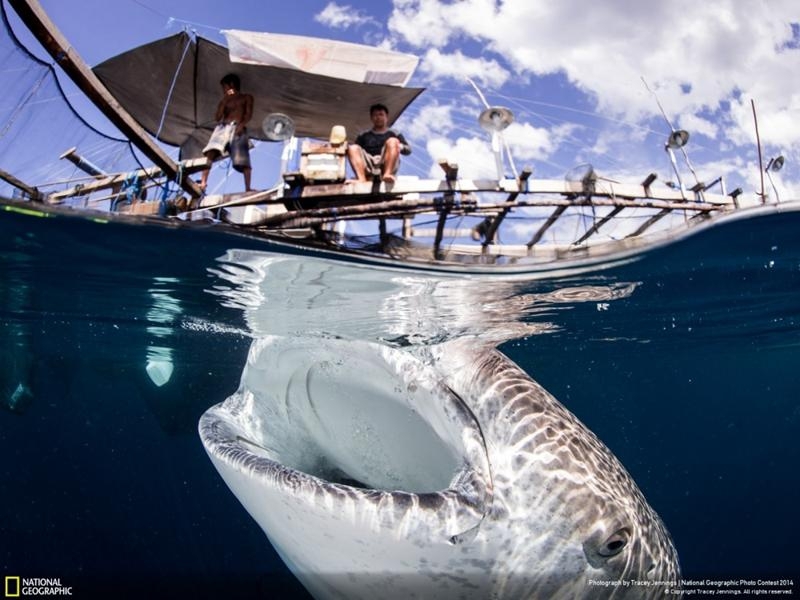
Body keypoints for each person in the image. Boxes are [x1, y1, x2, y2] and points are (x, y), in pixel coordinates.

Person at [199, 73, 254, 192]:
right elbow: (217, 117)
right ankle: (203, 182)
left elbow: (248, 114)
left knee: (243, 159)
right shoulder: (224, 100)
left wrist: (242, 125)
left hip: (238, 126)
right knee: (210, 152)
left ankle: (248, 188)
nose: (223, 90)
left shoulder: (246, 97)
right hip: (222, 127)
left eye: (224, 87)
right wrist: (224, 101)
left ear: (232, 85)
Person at [347, 103, 411, 183]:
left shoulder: (394, 133)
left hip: (385, 163)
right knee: (352, 147)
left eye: (381, 114)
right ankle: (361, 178)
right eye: (375, 115)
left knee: (392, 141)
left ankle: (387, 174)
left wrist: (397, 146)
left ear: (386, 117)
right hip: (369, 164)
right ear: (371, 118)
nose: (378, 117)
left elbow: (408, 150)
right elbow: (354, 153)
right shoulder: (363, 135)